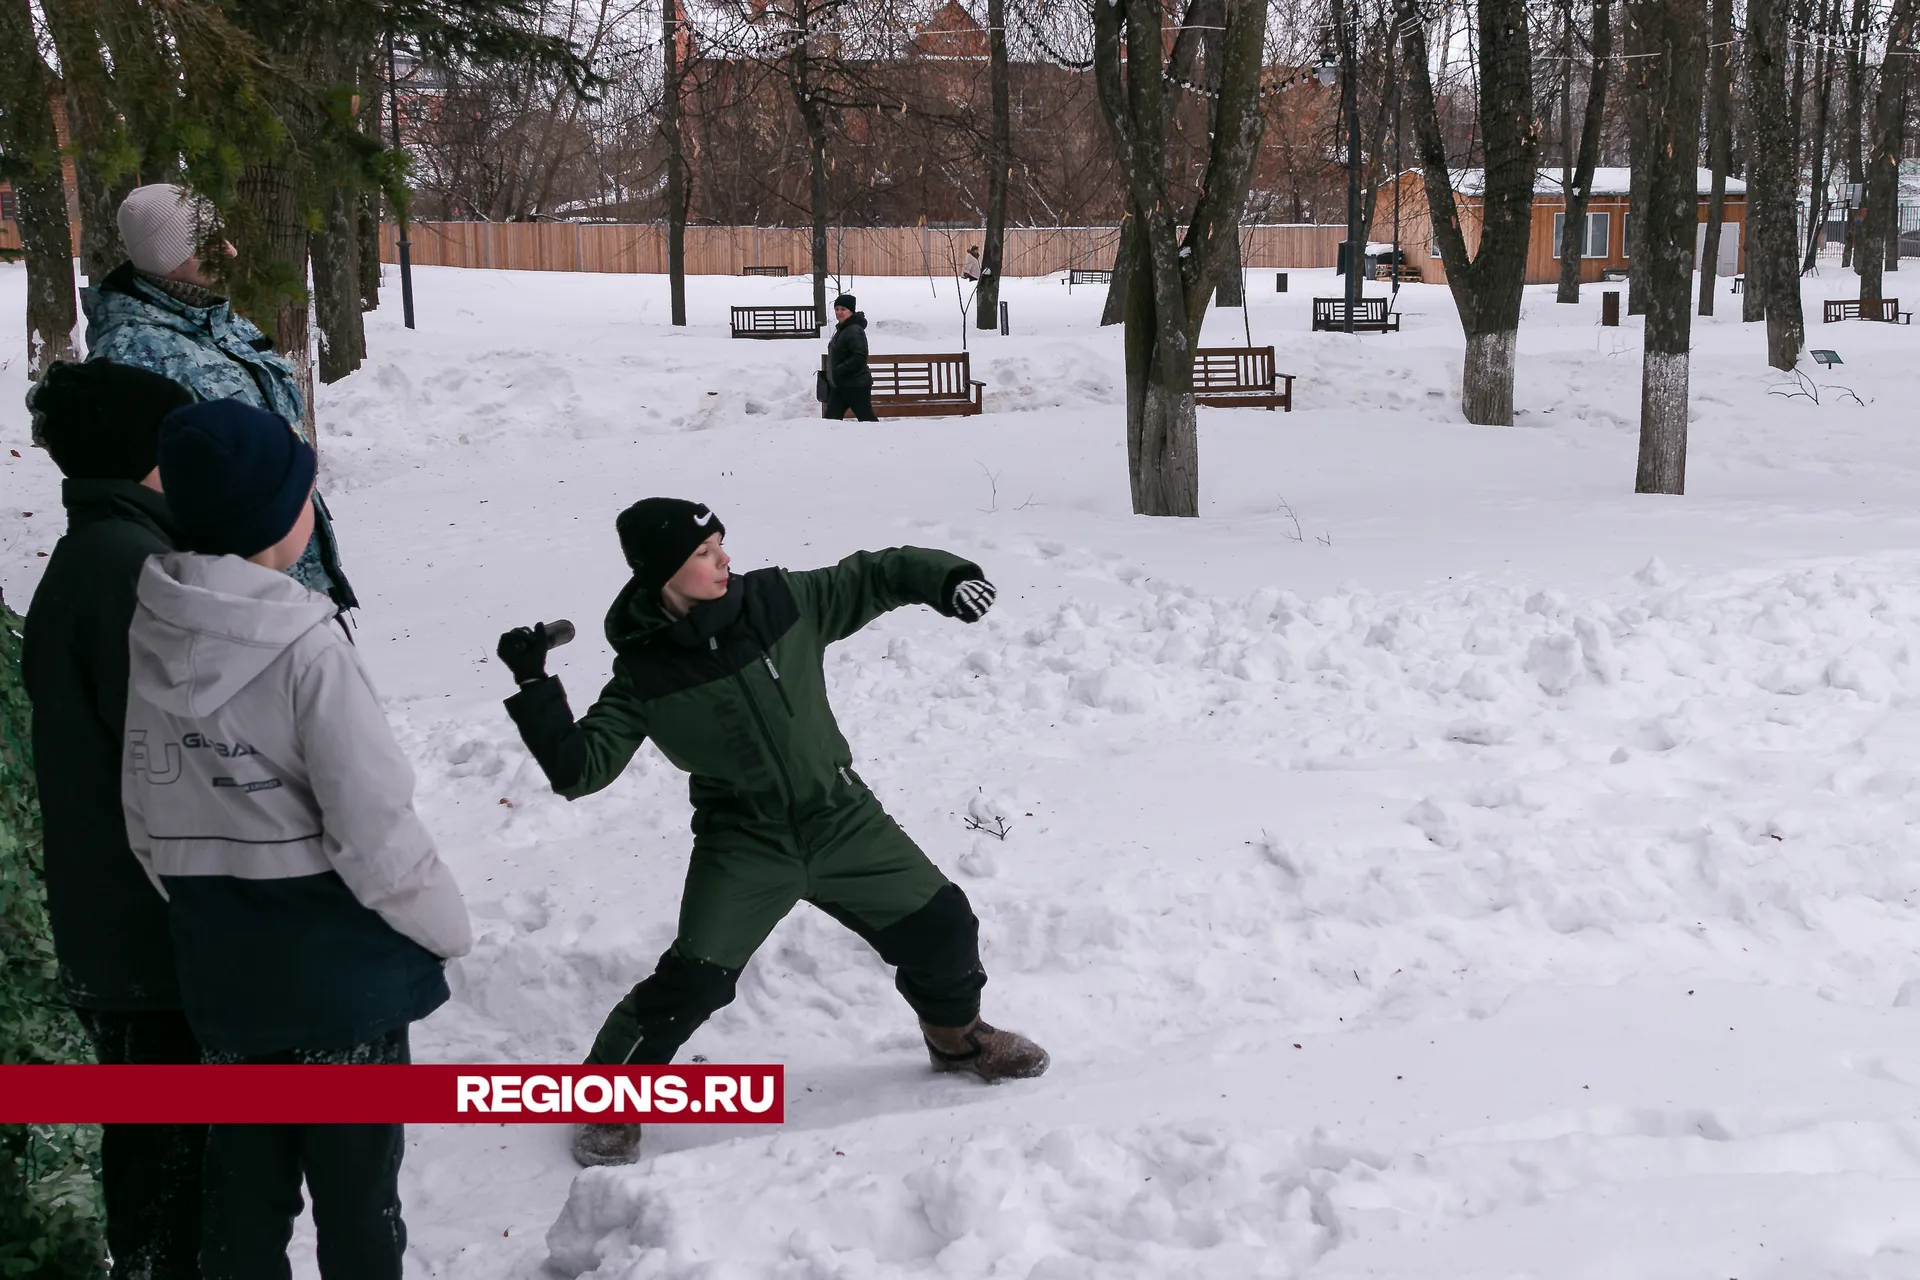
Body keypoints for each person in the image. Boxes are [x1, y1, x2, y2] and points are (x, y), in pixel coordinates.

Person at [497, 499, 1047, 1168]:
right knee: (690, 985)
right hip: (746, 843)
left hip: (842, 818)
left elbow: (871, 575)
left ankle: (956, 1040)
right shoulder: (644, 676)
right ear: (661, 574)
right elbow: (579, 770)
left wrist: (944, 577)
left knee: (944, 926)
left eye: (721, 544)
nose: (723, 559)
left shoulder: (780, 600)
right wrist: (534, 683)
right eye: (703, 553)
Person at [122, 398, 472, 1280]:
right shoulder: (307, 647)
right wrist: (445, 929)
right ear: (279, 515)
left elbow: (145, 809)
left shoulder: (154, 628)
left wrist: (211, 903)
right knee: (359, 1202)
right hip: (338, 974)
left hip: (225, 966)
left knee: (246, 1194)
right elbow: (373, 824)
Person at [21, 359, 205, 1279]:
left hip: (124, 927)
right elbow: (179, 760)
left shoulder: (110, 551)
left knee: (171, 1166)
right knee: (171, 1186)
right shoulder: (130, 572)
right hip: (146, 939)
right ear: (152, 459)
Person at [82, 183, 358, 613]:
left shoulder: (221, 324)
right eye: (208, 244)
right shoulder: (131, 355)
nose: (229, 251)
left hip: (294, 583)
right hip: (234, 604)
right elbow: (144, 504)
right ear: (168, 259)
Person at [822, 293, 879, 422]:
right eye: (836, 309)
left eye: (843, 309)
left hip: (856, 386)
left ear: (851, 311)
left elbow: (859, 356)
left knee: (867, 420)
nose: (839, 313)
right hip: (842, 386)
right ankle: (831, 441)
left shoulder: (853, 330)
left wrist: (839, 370)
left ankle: (879, 438)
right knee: (830, 420)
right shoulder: (843, 329)